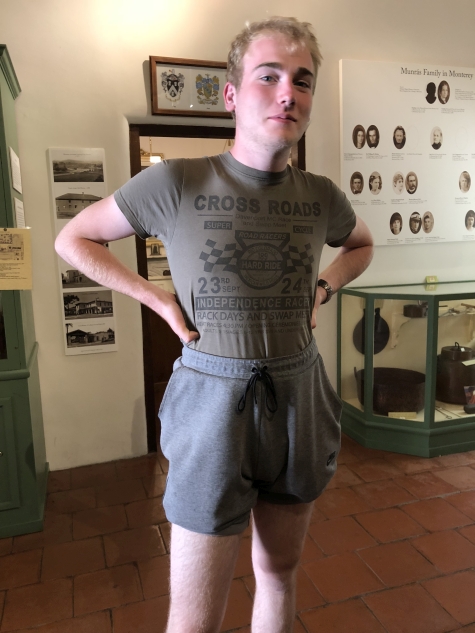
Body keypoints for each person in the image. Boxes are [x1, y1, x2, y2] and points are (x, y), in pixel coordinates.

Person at [55, 16, 374, 632]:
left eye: (302, 80)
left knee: (279, 573)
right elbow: (75, 238)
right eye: (268, 76)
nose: (288, 93)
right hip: (211, 403)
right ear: (230, 94)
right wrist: (156, 300)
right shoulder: (176, 181)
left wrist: (324, 287)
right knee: (195, 616)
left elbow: (360, 244)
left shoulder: (321, 196)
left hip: (299, 395)